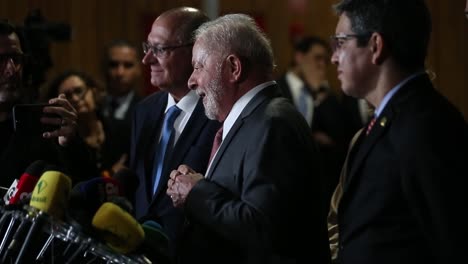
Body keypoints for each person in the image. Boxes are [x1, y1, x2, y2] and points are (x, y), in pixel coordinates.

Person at [167, 14, 331, 263]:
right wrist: (199, 185)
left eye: (199, 66)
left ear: (234, 68)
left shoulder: (273, 123)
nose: (191, 80)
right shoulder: (252, 120)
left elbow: (263, 227)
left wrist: (197, 192)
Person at [329, 0, 468, 263]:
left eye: (341, 42)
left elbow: (454, 241)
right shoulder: (391, 119)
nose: (334, 56)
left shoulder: (427, 126)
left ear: (375, 46)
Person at [130, 7, 220, 259]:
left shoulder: (218, 114)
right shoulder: (144, 111)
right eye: (146, 47)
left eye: (159, 49)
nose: (147, 59)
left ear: (194, 52)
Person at [0, 19, 93, 187]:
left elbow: (83, 186)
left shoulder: (44, 120)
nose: (11, 70)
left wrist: (70, 143)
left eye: (16, 58)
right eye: (1, 60)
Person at [47, 70, 107, 176]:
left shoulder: (118, 128)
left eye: (79, 91)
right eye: (67, 96)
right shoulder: (61, 143)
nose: (75, 99)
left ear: (93, 91)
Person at [100, 39, 142, 175]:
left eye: (128, 65)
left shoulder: (147, 110)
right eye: (113, 65)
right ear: (104, 68)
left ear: (138, 69)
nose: (120, 73)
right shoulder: (92, 107)